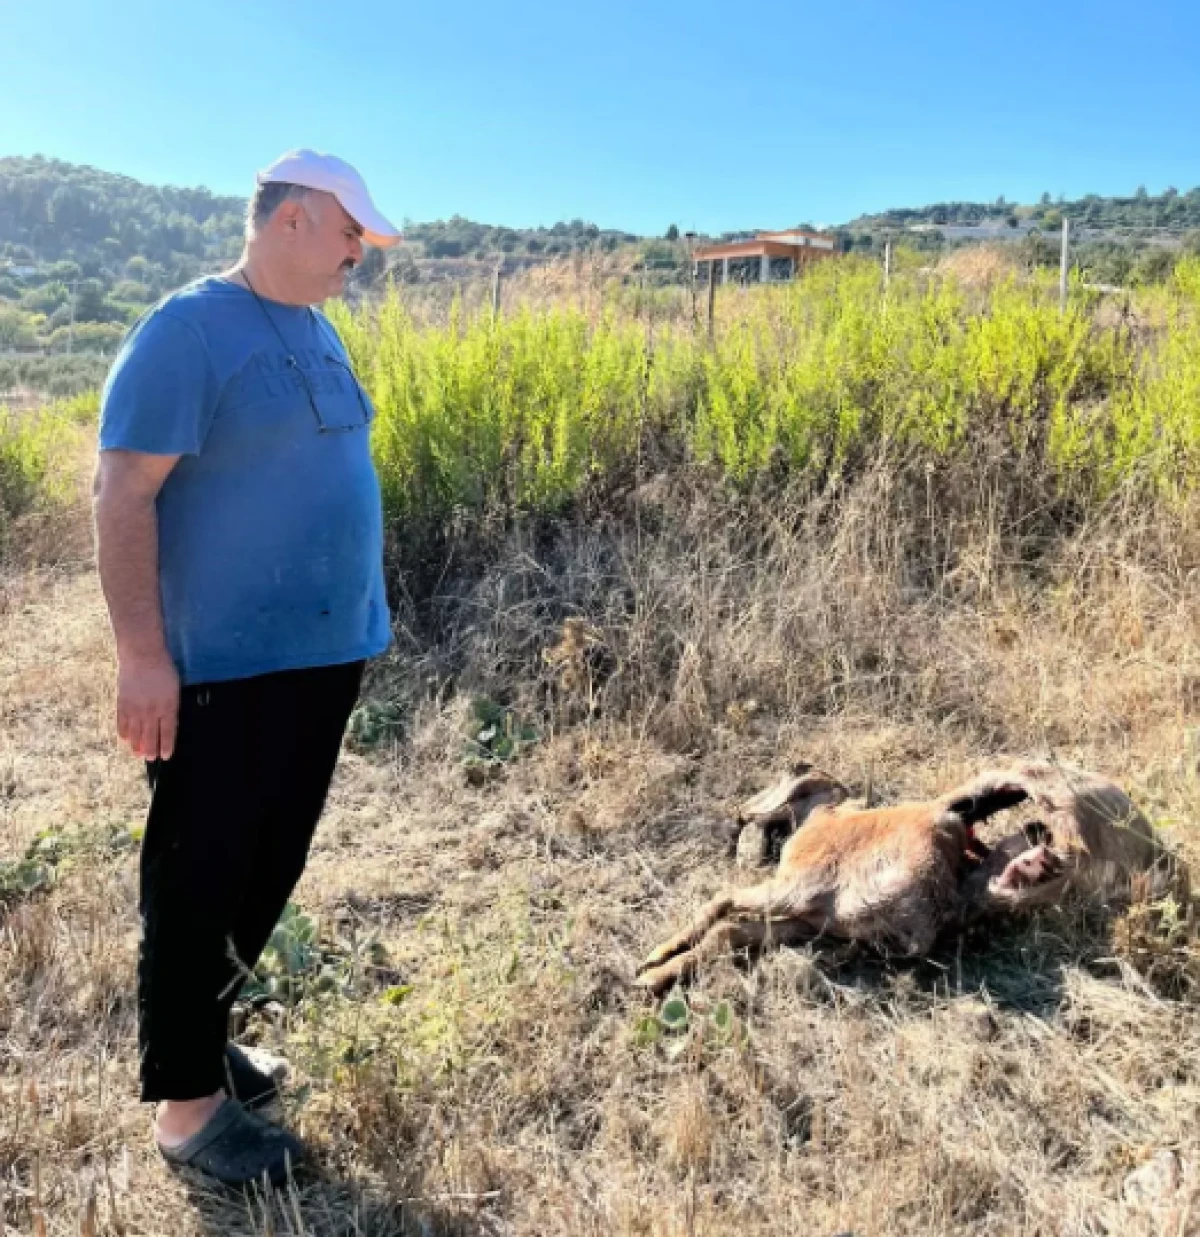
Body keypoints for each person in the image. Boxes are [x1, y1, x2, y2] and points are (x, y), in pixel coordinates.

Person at [93, 150, 400, 1186]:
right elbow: (123, 494)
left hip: (319, 658)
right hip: (224, 670)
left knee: (266, 868)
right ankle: (188, 1115)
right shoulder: (186, 333)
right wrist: (142, 656)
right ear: (292, 220)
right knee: (199, 877)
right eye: (350, 232)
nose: (360, 253)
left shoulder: (317, 330)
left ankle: (204, 1043)